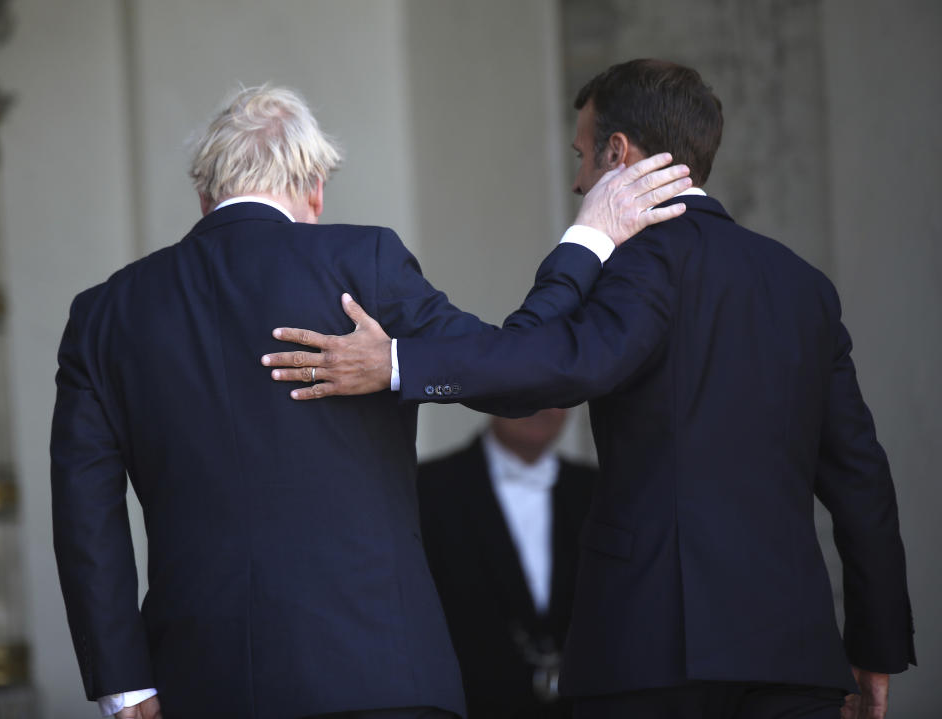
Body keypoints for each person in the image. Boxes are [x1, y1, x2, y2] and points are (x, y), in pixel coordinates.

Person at [263, 60, 915, 719]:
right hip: (793, 657)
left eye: (581, 155)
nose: (578, 179)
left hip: (654, 652)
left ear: (618, 152)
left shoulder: (638, 261)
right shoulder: (805, 287)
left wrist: (399, 360)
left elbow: (546, 366)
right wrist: (877, 641)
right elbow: (862, 479)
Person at [50, 84, 691, 718]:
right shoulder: (363, 262)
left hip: (198, 682)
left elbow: (86, 516)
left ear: (205, 193)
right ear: (314, 188)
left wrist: (125, 686)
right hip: (379, 676)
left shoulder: (105, 314)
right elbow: (518, 376)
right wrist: (590, 240)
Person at [417, 409, 597, 719]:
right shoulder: (428, 487)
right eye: (527, 391)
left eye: (555, 394)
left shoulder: (597, 489)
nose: (540, 406)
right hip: (471, 704)